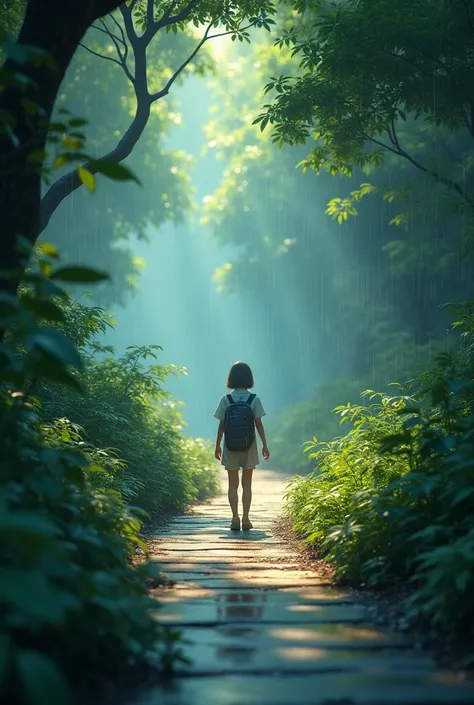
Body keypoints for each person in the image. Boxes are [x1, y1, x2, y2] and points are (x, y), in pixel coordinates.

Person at [213, 361, 270, 531]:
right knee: (246, 485)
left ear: (231, 378)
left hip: (230, 445)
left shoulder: (226, 399)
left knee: (232, 485)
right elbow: (259, 424)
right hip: (249, 445)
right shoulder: (254, 399)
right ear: (249, 378)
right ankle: (246, 519)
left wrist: (217, 446)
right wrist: (265, 445)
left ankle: (234, 518)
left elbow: (221, 425)